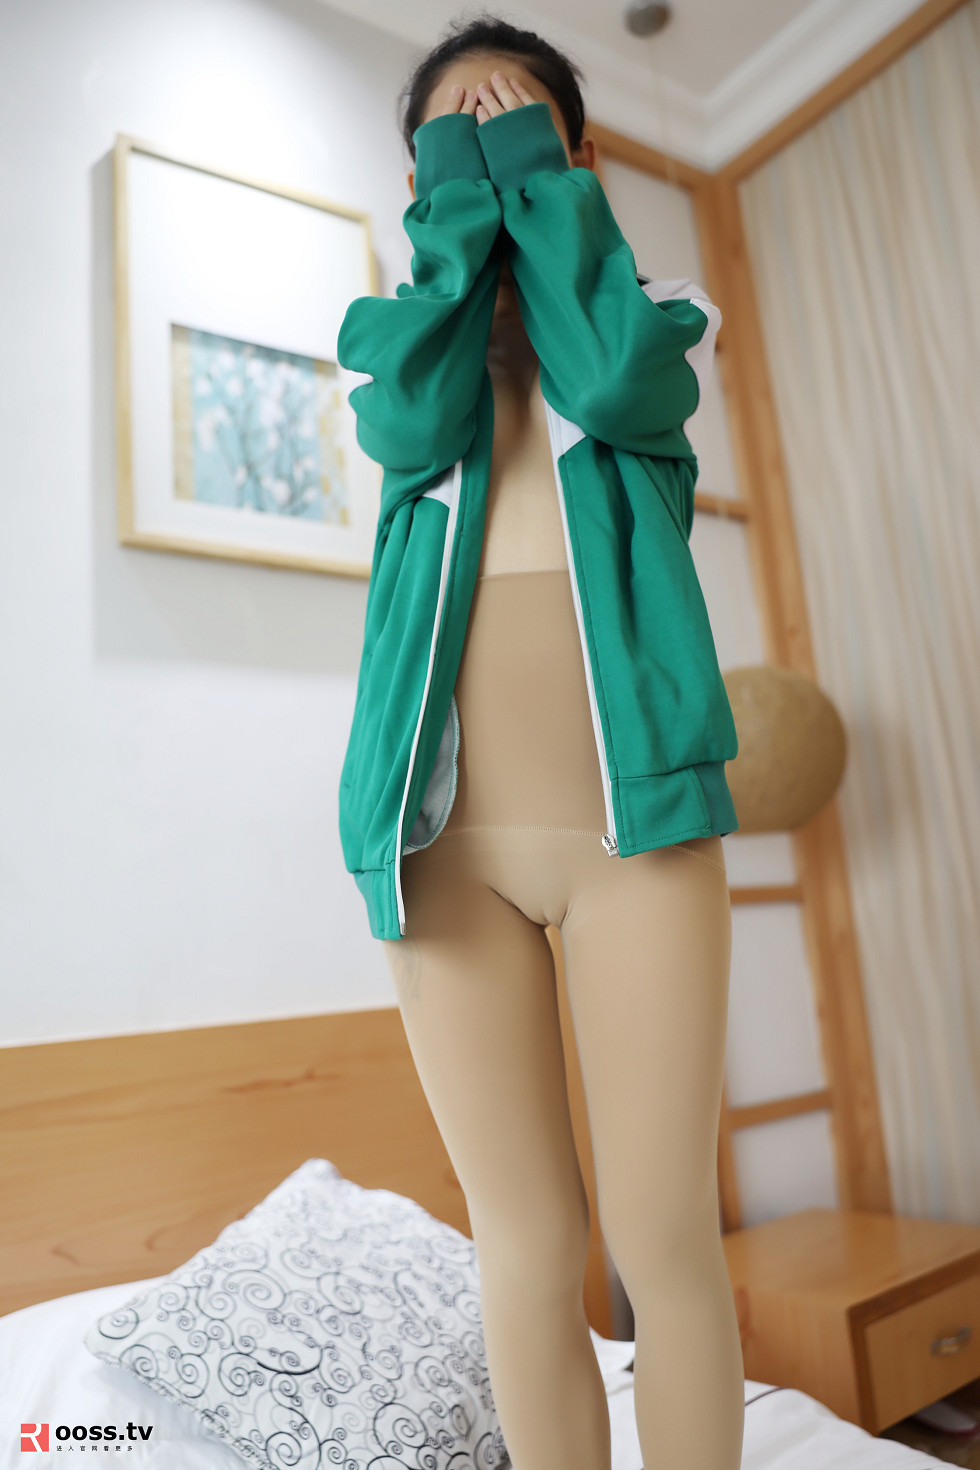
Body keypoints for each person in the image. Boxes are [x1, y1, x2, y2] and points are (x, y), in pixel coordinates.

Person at [336, 16, 745, 1470]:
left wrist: (535, 189)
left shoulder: (654, 318)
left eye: (520, 136)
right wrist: (464, 216)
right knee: (522, 1237)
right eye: (457, 145)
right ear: (424, 190)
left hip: (640, 836)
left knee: (662, 1233)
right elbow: (413, 419)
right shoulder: (395, 350)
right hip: (440, 847)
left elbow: (618, 382)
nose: (491, 163)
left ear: (570, 164)